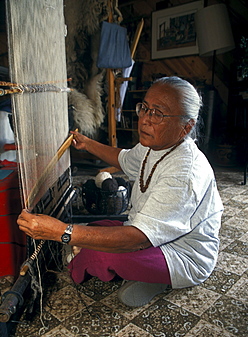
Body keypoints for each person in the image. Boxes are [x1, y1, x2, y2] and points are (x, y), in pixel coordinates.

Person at [17, 76, 223, 307]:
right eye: (144, 108)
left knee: (99, 253)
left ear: (187, 126)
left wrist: (62, 232)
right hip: (152, 236)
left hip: (183, 254)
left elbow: (138, 239)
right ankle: (148, 274)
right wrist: (87, 143)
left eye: (158, 113)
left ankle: (164, 277)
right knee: (94, 230)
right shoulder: (154, 145)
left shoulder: (185, 173)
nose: (145, 119)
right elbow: (124, 159)